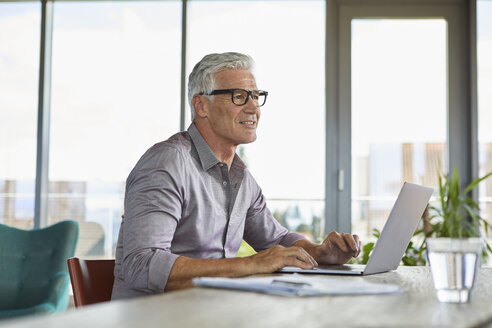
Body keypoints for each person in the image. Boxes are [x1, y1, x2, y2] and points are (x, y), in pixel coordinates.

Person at [111, 52, 361, 300]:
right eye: (239, 97)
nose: (253, 107)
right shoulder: (167, 163)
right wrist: (251, 264)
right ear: (201, 106)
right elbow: (142, 265)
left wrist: (319, 253)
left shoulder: (240, 177)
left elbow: (277, 239)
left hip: (212, 312)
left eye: (255, 96)